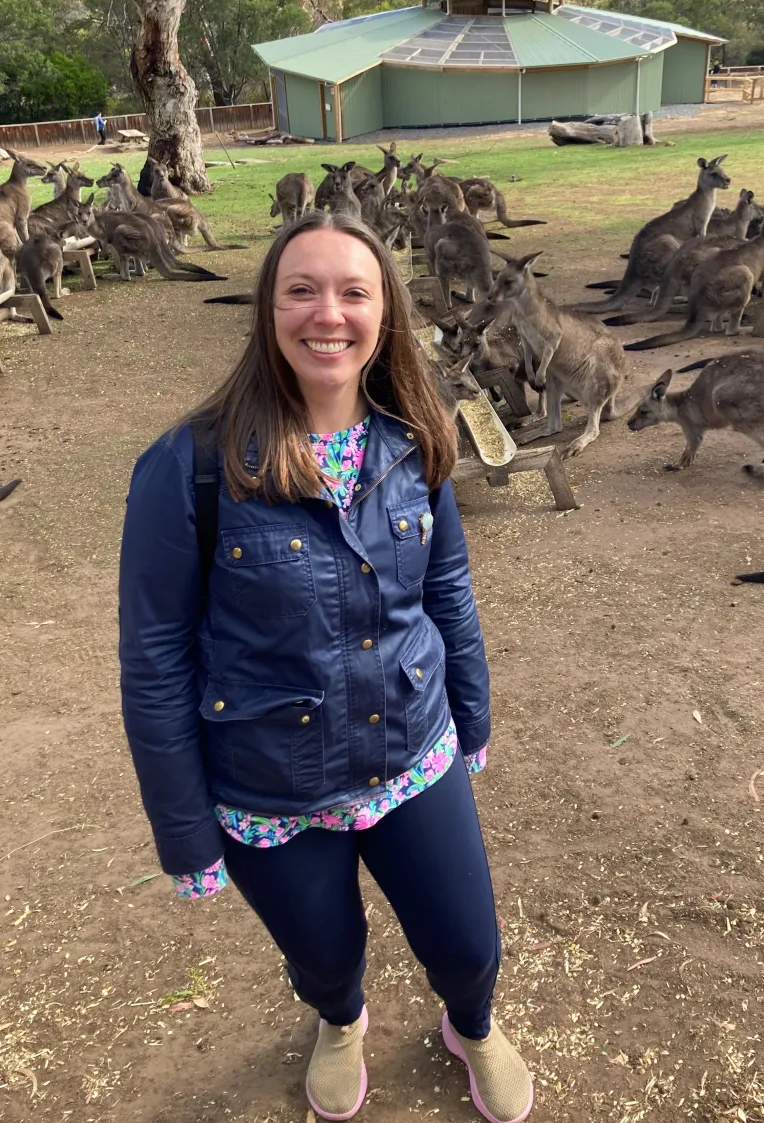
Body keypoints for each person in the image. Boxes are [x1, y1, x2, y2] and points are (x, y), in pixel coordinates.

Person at [119, 211, 533, 1123]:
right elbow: (153, 662)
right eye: (301, 290)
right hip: (269, 784)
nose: (328, 315)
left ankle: (472, 1023)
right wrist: (185, 834)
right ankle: (340, 1021)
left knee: (467, 942)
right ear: (268, 308)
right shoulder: (189, 466)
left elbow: (449, 591)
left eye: (354, 291)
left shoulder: (416, 435)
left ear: (384, 311)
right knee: (324, 951)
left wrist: (474, 715)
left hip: (411, 752)